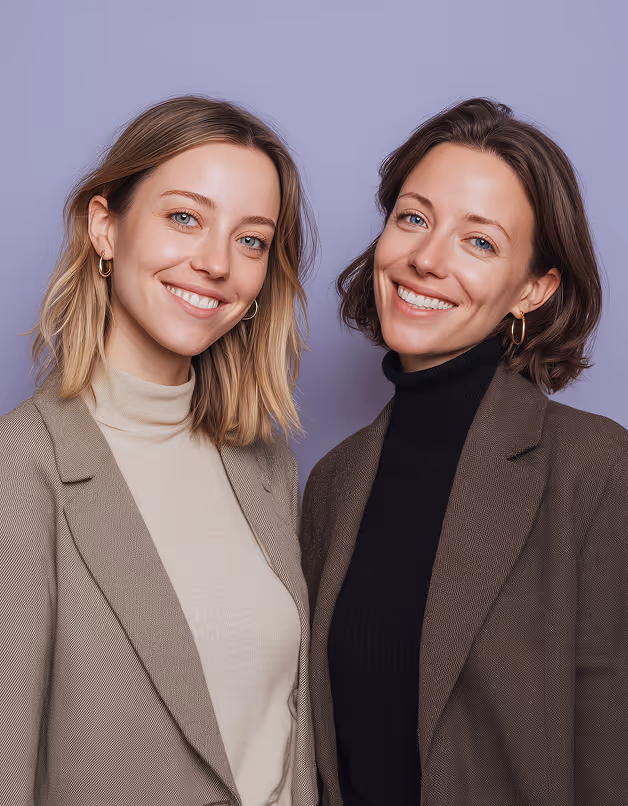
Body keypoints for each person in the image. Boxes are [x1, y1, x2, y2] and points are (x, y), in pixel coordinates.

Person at [300, 98, 628, 806]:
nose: (425, 259)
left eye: (479, 242)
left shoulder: (596, 470)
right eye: (413, 218)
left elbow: (613, 754)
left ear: (534, 290)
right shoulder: (331, 484)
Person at [0, 95, 319, 806]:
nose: (215, 263)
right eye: (185, 218)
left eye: (251, 240)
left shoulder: (268, 467)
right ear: (105, 227)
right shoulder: (21, 469)